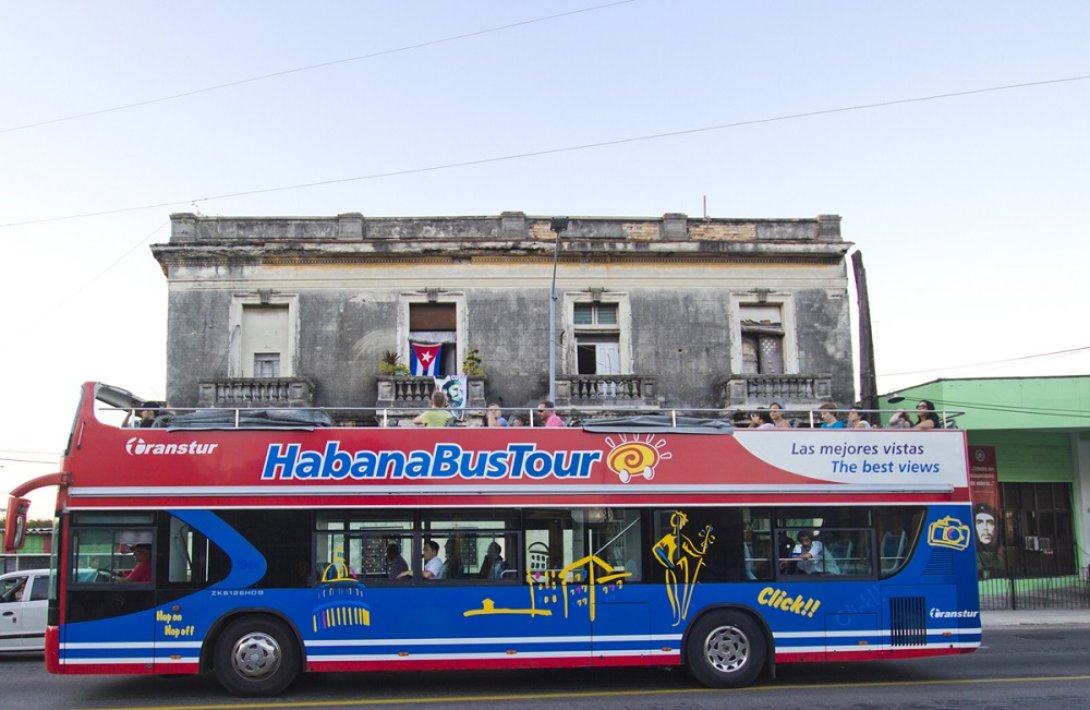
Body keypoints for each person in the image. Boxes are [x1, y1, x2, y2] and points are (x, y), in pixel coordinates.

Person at [974, 503, 1005, 579]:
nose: (985, 528)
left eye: (990, 522)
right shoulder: (973, 557)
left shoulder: (999, 559)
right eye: (980, 522)